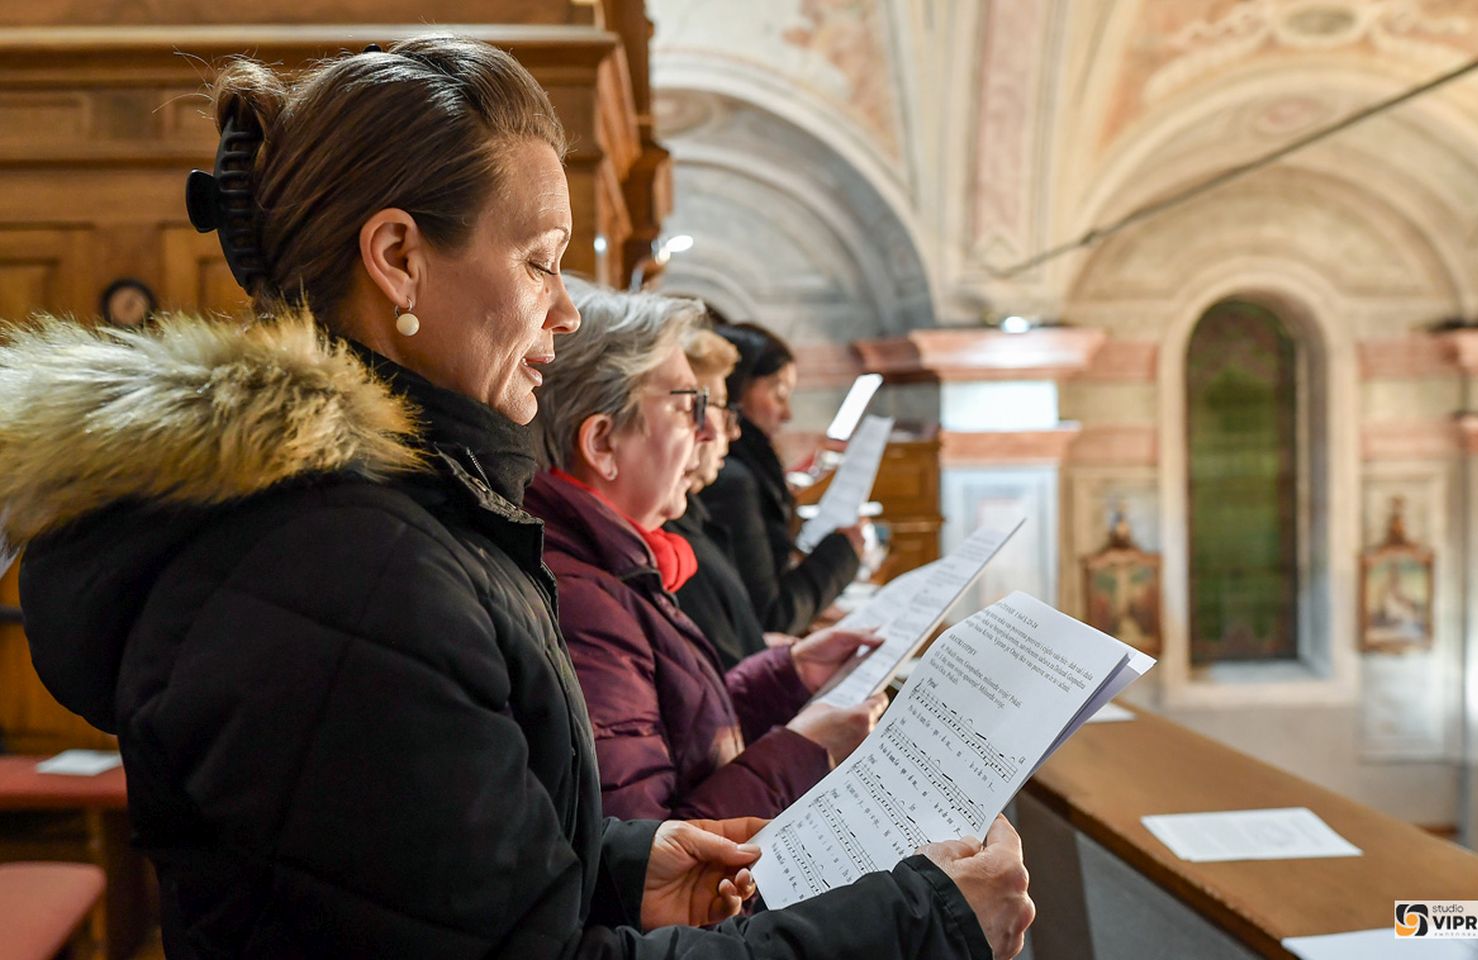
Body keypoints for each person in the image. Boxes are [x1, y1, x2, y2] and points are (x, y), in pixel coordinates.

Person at [0, 36, 1035, 959]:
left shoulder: (372, 527)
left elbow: (426, 876)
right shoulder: (346, 567)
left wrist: (619, 864)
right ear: (399, 258)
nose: (567, 312)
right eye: (539, 262)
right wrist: (920, 921)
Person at [526, 280, 888, 823]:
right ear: (602, 443)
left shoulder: (621, 563)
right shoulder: (581, 601)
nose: (709, 433)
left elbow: (677, 734)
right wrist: (802, 750)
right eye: (687, 407)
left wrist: (784, 675)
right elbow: (650, 851)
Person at [699, 322, 865, 635]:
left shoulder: (747, 468)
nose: (787, 414)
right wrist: (843, 551)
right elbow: (769, 616)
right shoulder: (731, 479)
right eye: (779, 393)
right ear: (736, 389)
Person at [666, 325, 770, 670]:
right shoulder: (667, 524)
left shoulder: (689, 512)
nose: (730, 430)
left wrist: (778, 659)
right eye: (719, 406)